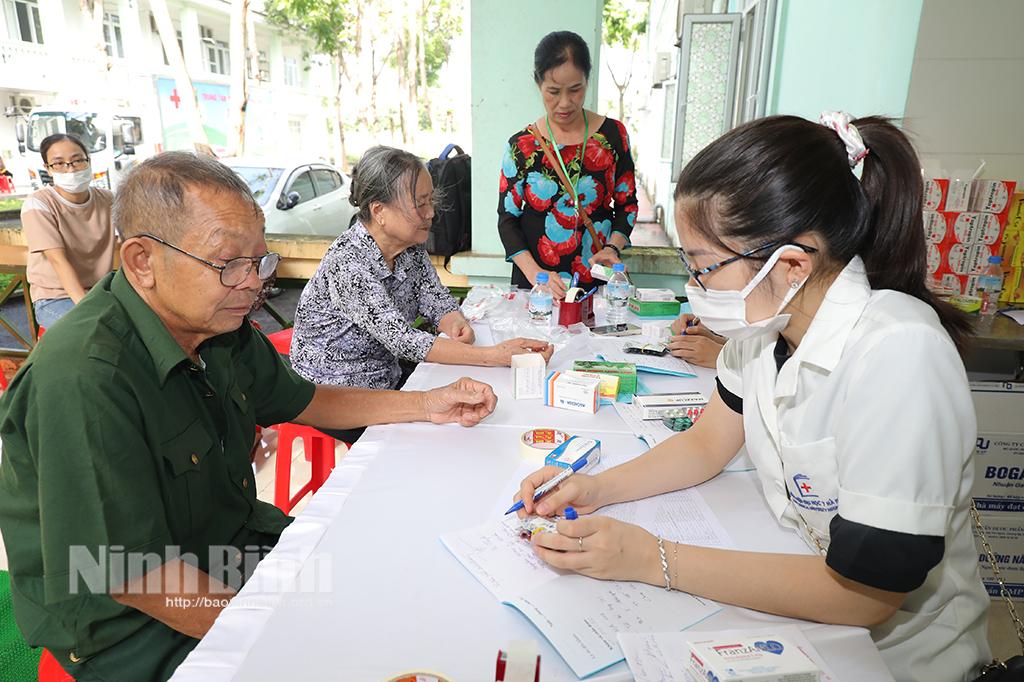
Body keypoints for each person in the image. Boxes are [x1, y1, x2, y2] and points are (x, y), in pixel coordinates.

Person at [515, 113, 990, 681]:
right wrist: (597, 487)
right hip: (805, 619)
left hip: (896, 659)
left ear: (791, 263)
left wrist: (651, 559)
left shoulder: (900, 354)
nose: (694, 291)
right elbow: (707, 444)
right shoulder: (764, 331)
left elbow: (867, 596)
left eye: (703, 268)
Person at [0, 152, 498, 682]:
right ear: (142, 261)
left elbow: (308, 399)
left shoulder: (217, 325)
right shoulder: (86, 377)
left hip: (234, 550)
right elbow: (133, 576)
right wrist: (287, 632)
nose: (252, 285)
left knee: (407, 579)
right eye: (227, 263)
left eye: (260, 263)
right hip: (133, 626)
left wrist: (427, 403)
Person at [291, 146, 552, 441]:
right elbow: (404, 340)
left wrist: (453, 321)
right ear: (379, 211)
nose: (430, 213)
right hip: (336, 393)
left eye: (431, 201)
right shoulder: (348, 265)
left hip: (386, 373)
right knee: (441, 434)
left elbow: (433, 295)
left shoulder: (408, 246)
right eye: (419, 204)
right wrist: (493, 356)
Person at [498, 31, 638, 300]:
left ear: (587, 80)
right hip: (538, 287)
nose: (564, 103)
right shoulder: (521, 145)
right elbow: (507, 219)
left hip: (596, 279)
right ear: (538, 84)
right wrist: (535, 274)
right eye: (553, 91)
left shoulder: (612, 135)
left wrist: (612, 248)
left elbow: (627, 205)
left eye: (575, 90)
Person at [21, 133, 117, 327]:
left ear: (88, 161)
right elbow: (58, 261)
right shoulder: (39, 204)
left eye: (77, 160)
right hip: (55, 298)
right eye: (59, 163)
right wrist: (87, 309)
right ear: (48, 168)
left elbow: (133, 239)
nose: (70, 169)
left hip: (102, 291)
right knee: (98, 330)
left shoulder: (108, 199)